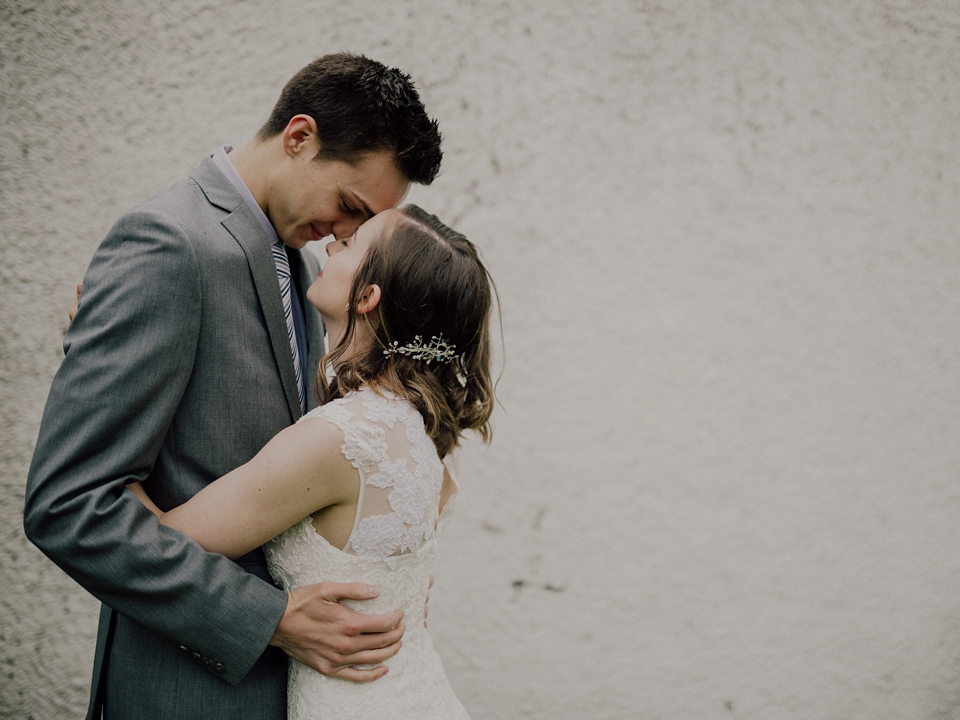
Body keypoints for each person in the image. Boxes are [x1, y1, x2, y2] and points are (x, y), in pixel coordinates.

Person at [24, 53, 443, 719]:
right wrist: (267, 617)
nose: (346, 235)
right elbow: (68, 504)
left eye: (363, 227)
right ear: (300, 137)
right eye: (350, 206)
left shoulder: (304, 274)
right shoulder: (167, 245)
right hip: (183, 691)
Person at [128, 204, 496, 718]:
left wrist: (116, 373)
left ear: (368, 296)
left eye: (351, 244)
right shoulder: (426, 433)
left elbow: (164, 541)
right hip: (411, 692)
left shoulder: (341, 438)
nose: (330, 245)